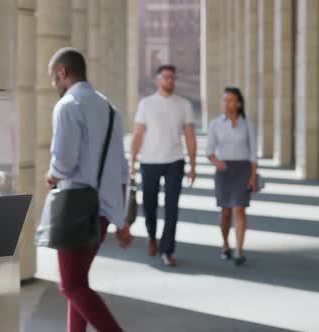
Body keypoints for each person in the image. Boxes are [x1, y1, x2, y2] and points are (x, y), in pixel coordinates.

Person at [45, 47, 132, 332]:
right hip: (103, 209)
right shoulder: (110, 109)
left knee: (70, 285)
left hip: (74, 209)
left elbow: (64, 162)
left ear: (63, 72)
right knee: (79, 283)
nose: (54, 86)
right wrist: (120, 218)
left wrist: (51, 175)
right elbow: (122, 168)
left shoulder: (68, 105)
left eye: (53, 78)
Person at [129, 65, 197, 267]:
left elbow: (190, 136)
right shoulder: (146, 104)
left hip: (175, 161)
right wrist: (132, 163)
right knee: (149, 204)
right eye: (166, 77)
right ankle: (151, 235)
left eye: (173, 78)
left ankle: (167, 250)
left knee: (171, 207)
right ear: (157, 80)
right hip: (149, 161)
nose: (170, 81)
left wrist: (193, 164)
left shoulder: (184, 104)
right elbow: (138, 134)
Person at [206, 87, 258, 266]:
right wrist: (216, 162)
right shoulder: (215, 124)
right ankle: (226, 244)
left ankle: (239, 250)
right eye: (224, 100)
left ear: (239, 103)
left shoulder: (247, 124)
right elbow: (209, 150)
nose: (227, 103)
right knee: (226, 212)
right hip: (224, 171)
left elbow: (253, 153)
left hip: (243, 169)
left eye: (230, 100)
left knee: (239, 209)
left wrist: (252, 176)